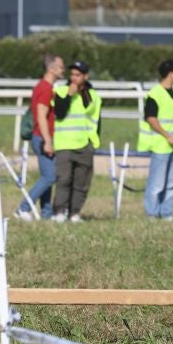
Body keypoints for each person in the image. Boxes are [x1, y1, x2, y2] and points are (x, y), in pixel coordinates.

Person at [14, 53, 64, 221]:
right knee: (50, 176)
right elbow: (41, 117)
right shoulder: (45, 89)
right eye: (60, 67)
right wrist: (48, 141)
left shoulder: (45, 87)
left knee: (47, 176)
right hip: (42, 138)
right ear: (51, 69)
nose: (63, 70)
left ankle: (46, 213)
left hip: (43, 137)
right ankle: (23, 207)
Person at [52, 60, 102, 223]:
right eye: (72, 74)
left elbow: (96, 120)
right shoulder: (61, 91)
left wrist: (93, 143)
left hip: (85, 144)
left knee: (82, 182)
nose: (74, 78)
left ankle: (75, 213)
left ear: (85, 77)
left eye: (78, 75)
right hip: (65, 143)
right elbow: (59, 113)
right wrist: (69, 95)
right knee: (64, 180)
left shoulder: (92, 95)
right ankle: (60, 211)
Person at [138, 59, 173, 221]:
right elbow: (151, 119)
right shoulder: (155, 94)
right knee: (157, 183)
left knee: (172, 182)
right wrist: (168, 136)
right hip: (160, 145)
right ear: (170, 74)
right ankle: (152, 213)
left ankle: (167, 213)